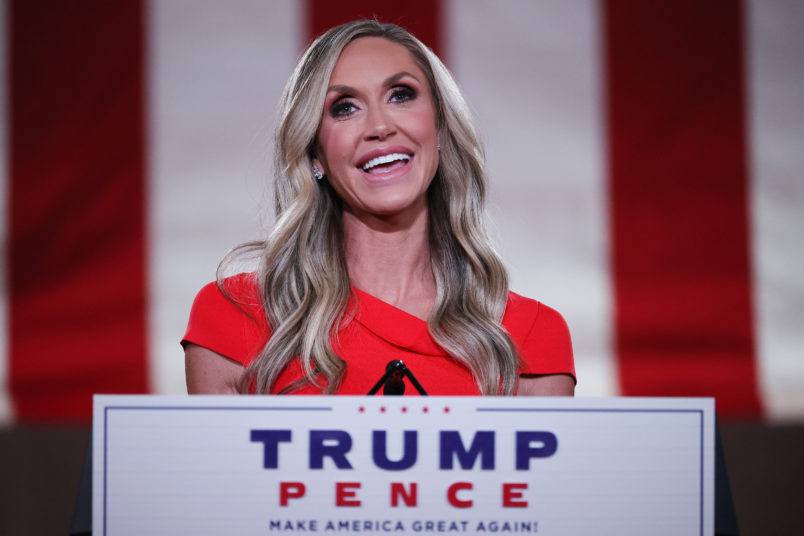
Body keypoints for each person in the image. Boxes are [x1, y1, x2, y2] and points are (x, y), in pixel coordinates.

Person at [182, 20, 575, 396]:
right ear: (314, 153)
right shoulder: (234, 316)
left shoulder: (531, 336)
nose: (379, 126)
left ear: (439, 126)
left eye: (400, 95)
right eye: (344, 107)